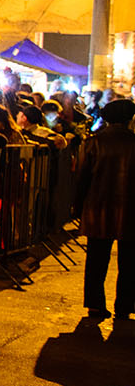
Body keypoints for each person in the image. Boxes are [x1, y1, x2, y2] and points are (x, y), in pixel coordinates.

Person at [75, 99, 135, 330]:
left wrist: (78, 206)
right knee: (129, 261)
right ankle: (125, 305)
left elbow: (82, 178)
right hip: (130, 209)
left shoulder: (93, 142)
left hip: (98, 207)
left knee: (96, 260)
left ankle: (94, 304)